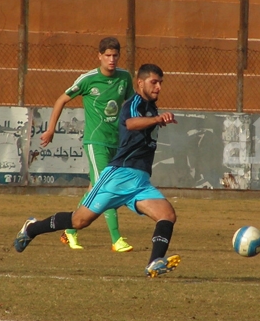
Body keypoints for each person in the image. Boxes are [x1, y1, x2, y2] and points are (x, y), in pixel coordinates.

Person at [14, 64, 181, 278]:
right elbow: (130, 123)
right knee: (79, 221)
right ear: (140, 83)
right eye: (154, 82)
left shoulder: (151, 107)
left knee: (167, 215)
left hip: (140, 182)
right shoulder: (134, 103)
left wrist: (155, 118)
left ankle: (154, 263)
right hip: (118, 176)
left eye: (160, 83)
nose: (158, 87)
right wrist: (157, 120)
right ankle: (31, 229)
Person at [40, 37, 135, 252]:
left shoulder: (125, 78)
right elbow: (61, 100)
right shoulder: (88, 79)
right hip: (96, 142)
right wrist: (51, 129)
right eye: (107, 56)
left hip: (117, 143)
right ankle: (116, 239)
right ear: (99, 56)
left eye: (115, 56)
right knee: (106, 187)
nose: (111, 60)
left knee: (94, 189)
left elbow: (131, 106)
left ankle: (70, 230)